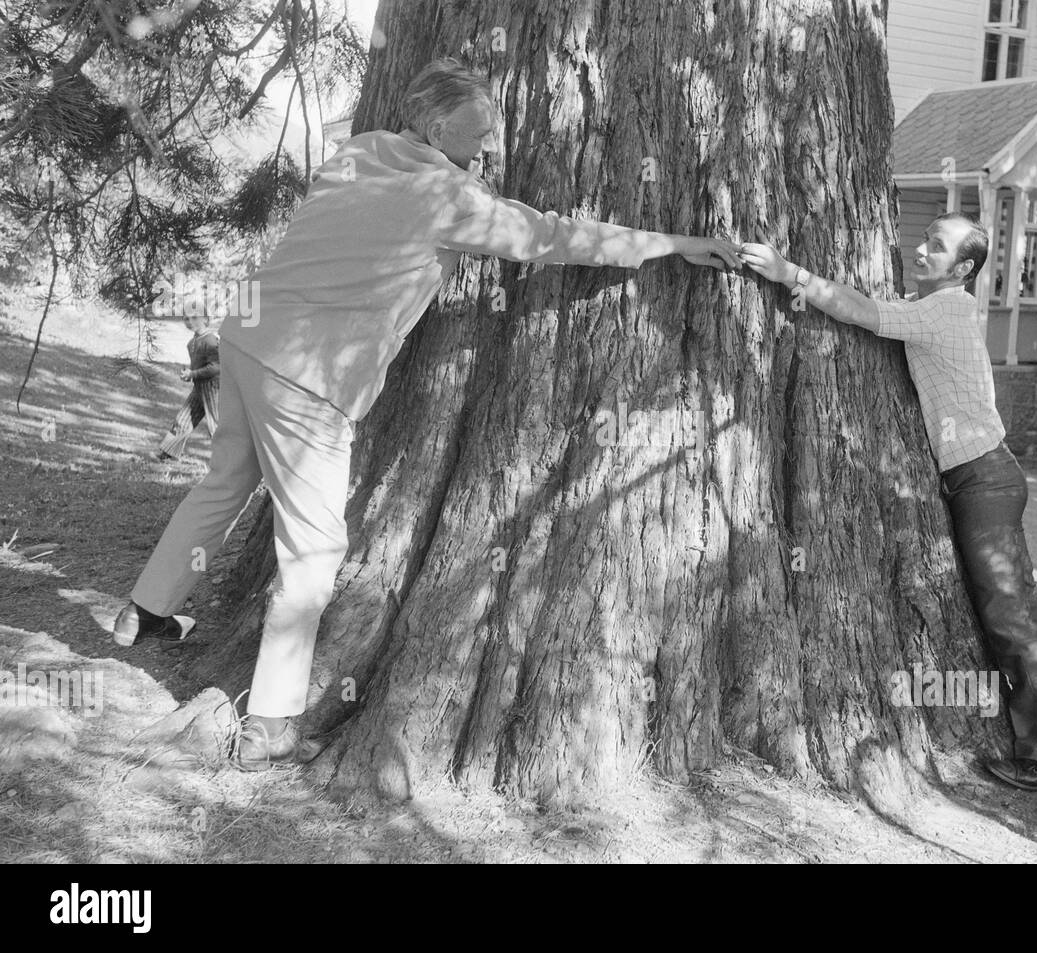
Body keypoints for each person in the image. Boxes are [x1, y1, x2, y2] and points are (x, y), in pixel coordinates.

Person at [112, 58, 742, 770]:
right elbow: (555, 237)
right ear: (439, 129)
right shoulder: (448, 199)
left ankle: (148, 611)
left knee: (223, 484)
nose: (491, 148)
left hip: (249, 344)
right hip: (308, 379)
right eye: (479, 134)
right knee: (312, 552)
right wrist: (673, 244)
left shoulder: (363, 150)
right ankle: (272, 720)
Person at [738, 212, 1037, 793]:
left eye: (938, 246)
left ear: (965, 268)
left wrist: (787, 273)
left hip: (983, 479)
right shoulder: (942, 307)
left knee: (1009, 617)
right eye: (925, 239)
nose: (922, 249)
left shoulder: (946, 309)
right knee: (1025, 614)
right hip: (989, 475)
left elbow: (864, 313)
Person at [157, 313, 220, 461]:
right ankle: (169, 453)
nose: (190, 321)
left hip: (214, 388)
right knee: (183, 419)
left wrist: (193, 373)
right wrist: (189, 374)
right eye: (187, 318)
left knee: (217, 426)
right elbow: (199, 367)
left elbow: (216, 367)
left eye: (195, 318)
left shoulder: (210, 340)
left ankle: (229, 464)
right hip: (199, 388)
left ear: (206, 320)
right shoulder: (192, 342)